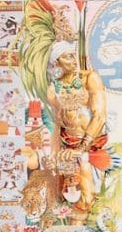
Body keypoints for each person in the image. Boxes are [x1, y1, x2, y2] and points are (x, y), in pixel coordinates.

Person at [46, 41, 110, 213]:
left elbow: (99, 116)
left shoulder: (90, 78)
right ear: (56, 62)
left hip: (90, 146)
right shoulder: (53, 89)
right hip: (68, 149)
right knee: (69, 200)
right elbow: (58, 125)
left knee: (90, 200)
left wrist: (82, 149)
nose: (74, 60)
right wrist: (54, 155)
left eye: (73, 55)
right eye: (67, 57)